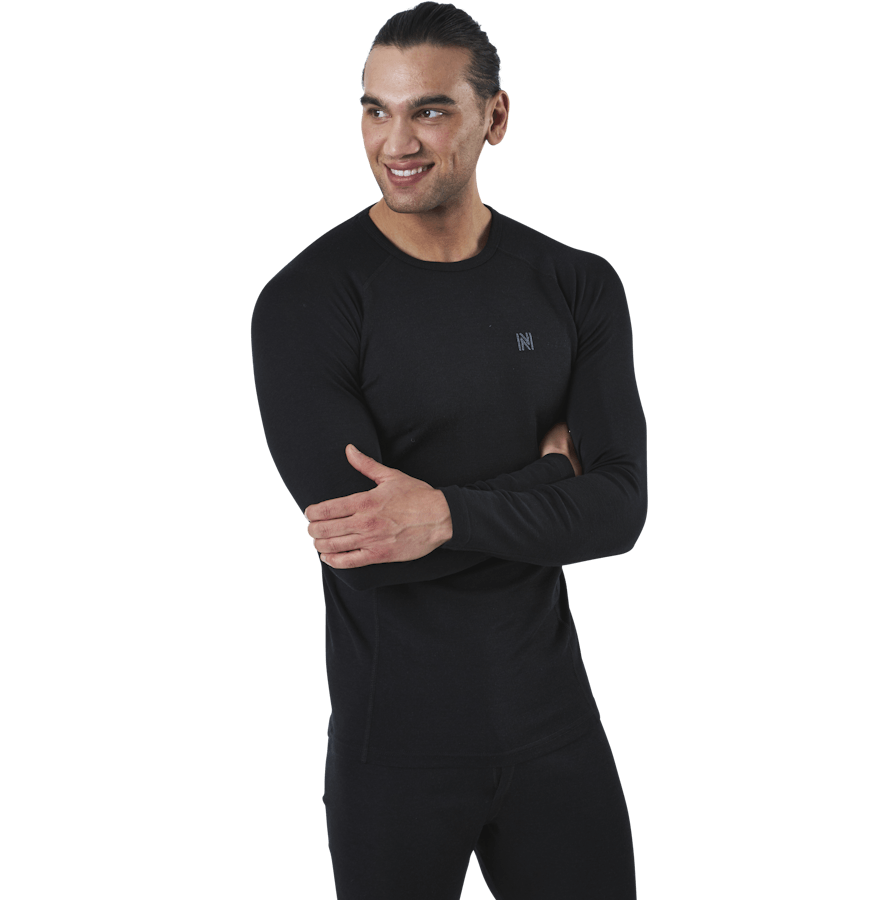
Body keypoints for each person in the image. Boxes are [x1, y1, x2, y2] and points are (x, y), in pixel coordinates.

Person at [250, 3, 648, 897]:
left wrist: (441, 515)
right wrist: (554, 478)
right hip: (395, 754)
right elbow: (366, 551)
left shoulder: (576, 284)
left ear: (494, 117)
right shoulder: (308, 301)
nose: (396, 142)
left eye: (429, 110)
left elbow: (620, 511)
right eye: (375, 110)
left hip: (560, 735)